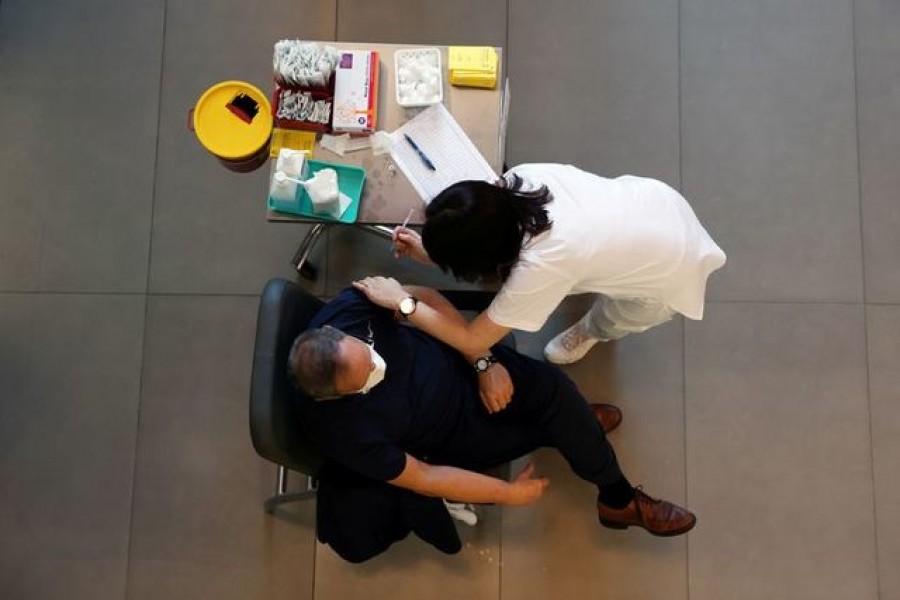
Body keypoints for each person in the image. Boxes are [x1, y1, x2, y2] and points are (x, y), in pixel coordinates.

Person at [287, 285, 696, 538]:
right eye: (368, 375)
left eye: (371, 354)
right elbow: (423, 477)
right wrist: (508, 494)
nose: (381, 365)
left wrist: (481, 360)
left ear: (335, 332)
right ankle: (616, 496)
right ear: (337, 397)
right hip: (459, 432)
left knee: (555, 392)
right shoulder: (341, 432)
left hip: (467, 361)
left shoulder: (349, 309)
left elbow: (421, 299)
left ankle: (599, 470)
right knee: (551, 419)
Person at [356, 164, 726, 413]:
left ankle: (589, 332)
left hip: (668, 267)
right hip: (650, 204)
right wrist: (435, 250)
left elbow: (472, 340)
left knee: (616, 318)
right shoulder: (518, 180)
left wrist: (405, 303)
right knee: (588, 267)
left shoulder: (544, 265)